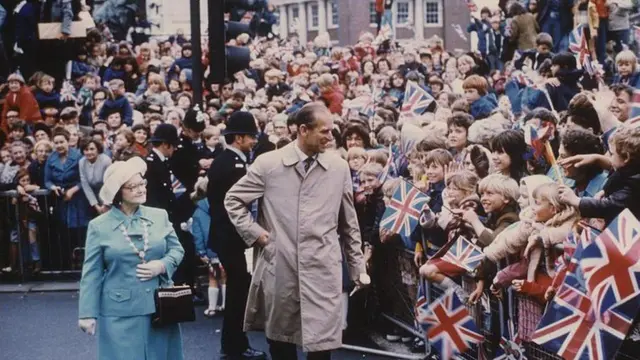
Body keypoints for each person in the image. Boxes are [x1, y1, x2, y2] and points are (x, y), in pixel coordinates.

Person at [224, 103, 368, 359]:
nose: (331, 137)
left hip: (323, 268)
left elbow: (349, 224)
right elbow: (233, 200)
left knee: (323, 345)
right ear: (303, 130)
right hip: (281, 267)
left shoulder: (338, 168)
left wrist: (358, 268)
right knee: (281, 342)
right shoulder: (269, 164)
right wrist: (256, 233)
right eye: (324, 131)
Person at [78, 156, 185, 360]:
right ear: (119, 192)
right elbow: (91, 273)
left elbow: (177, 250)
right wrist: (86, 313)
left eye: (142, 183)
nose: (141, 189)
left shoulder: (159, 216)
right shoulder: (99, 226)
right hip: (119, 312)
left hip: (160, 309)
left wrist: (161, 265)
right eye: (132, 186)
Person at [207, 111, 265, 360]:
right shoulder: (234, 165)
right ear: (239, 138)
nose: (254, 141)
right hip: (232, 238)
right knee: (238, 293)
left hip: (227, 237)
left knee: (238, 291)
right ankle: (235, 346)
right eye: (251, 137)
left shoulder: (225, 161)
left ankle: (234, 344)